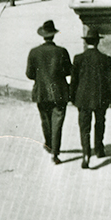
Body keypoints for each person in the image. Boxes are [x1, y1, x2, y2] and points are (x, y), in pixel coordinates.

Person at [25, 20, 72, 164]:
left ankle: (49, 144)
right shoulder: (61, 52)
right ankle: (55, 153)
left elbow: (29, 74)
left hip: (41, 92)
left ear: (43, 35)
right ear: (54, 35)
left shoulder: (34, 52)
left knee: (45, 120)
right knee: (57, 122)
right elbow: (69, 71)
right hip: (59, 92)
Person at [70, 28, 111, 169]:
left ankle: (86, 154)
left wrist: (72, 97)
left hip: (83, 99)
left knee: (84, 127)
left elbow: (74, 81)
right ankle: (99, 148)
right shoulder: (105, 59)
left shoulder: (78, 58)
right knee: (100, 122)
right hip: (100, 98)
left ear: (86, 42)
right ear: (98, 42)